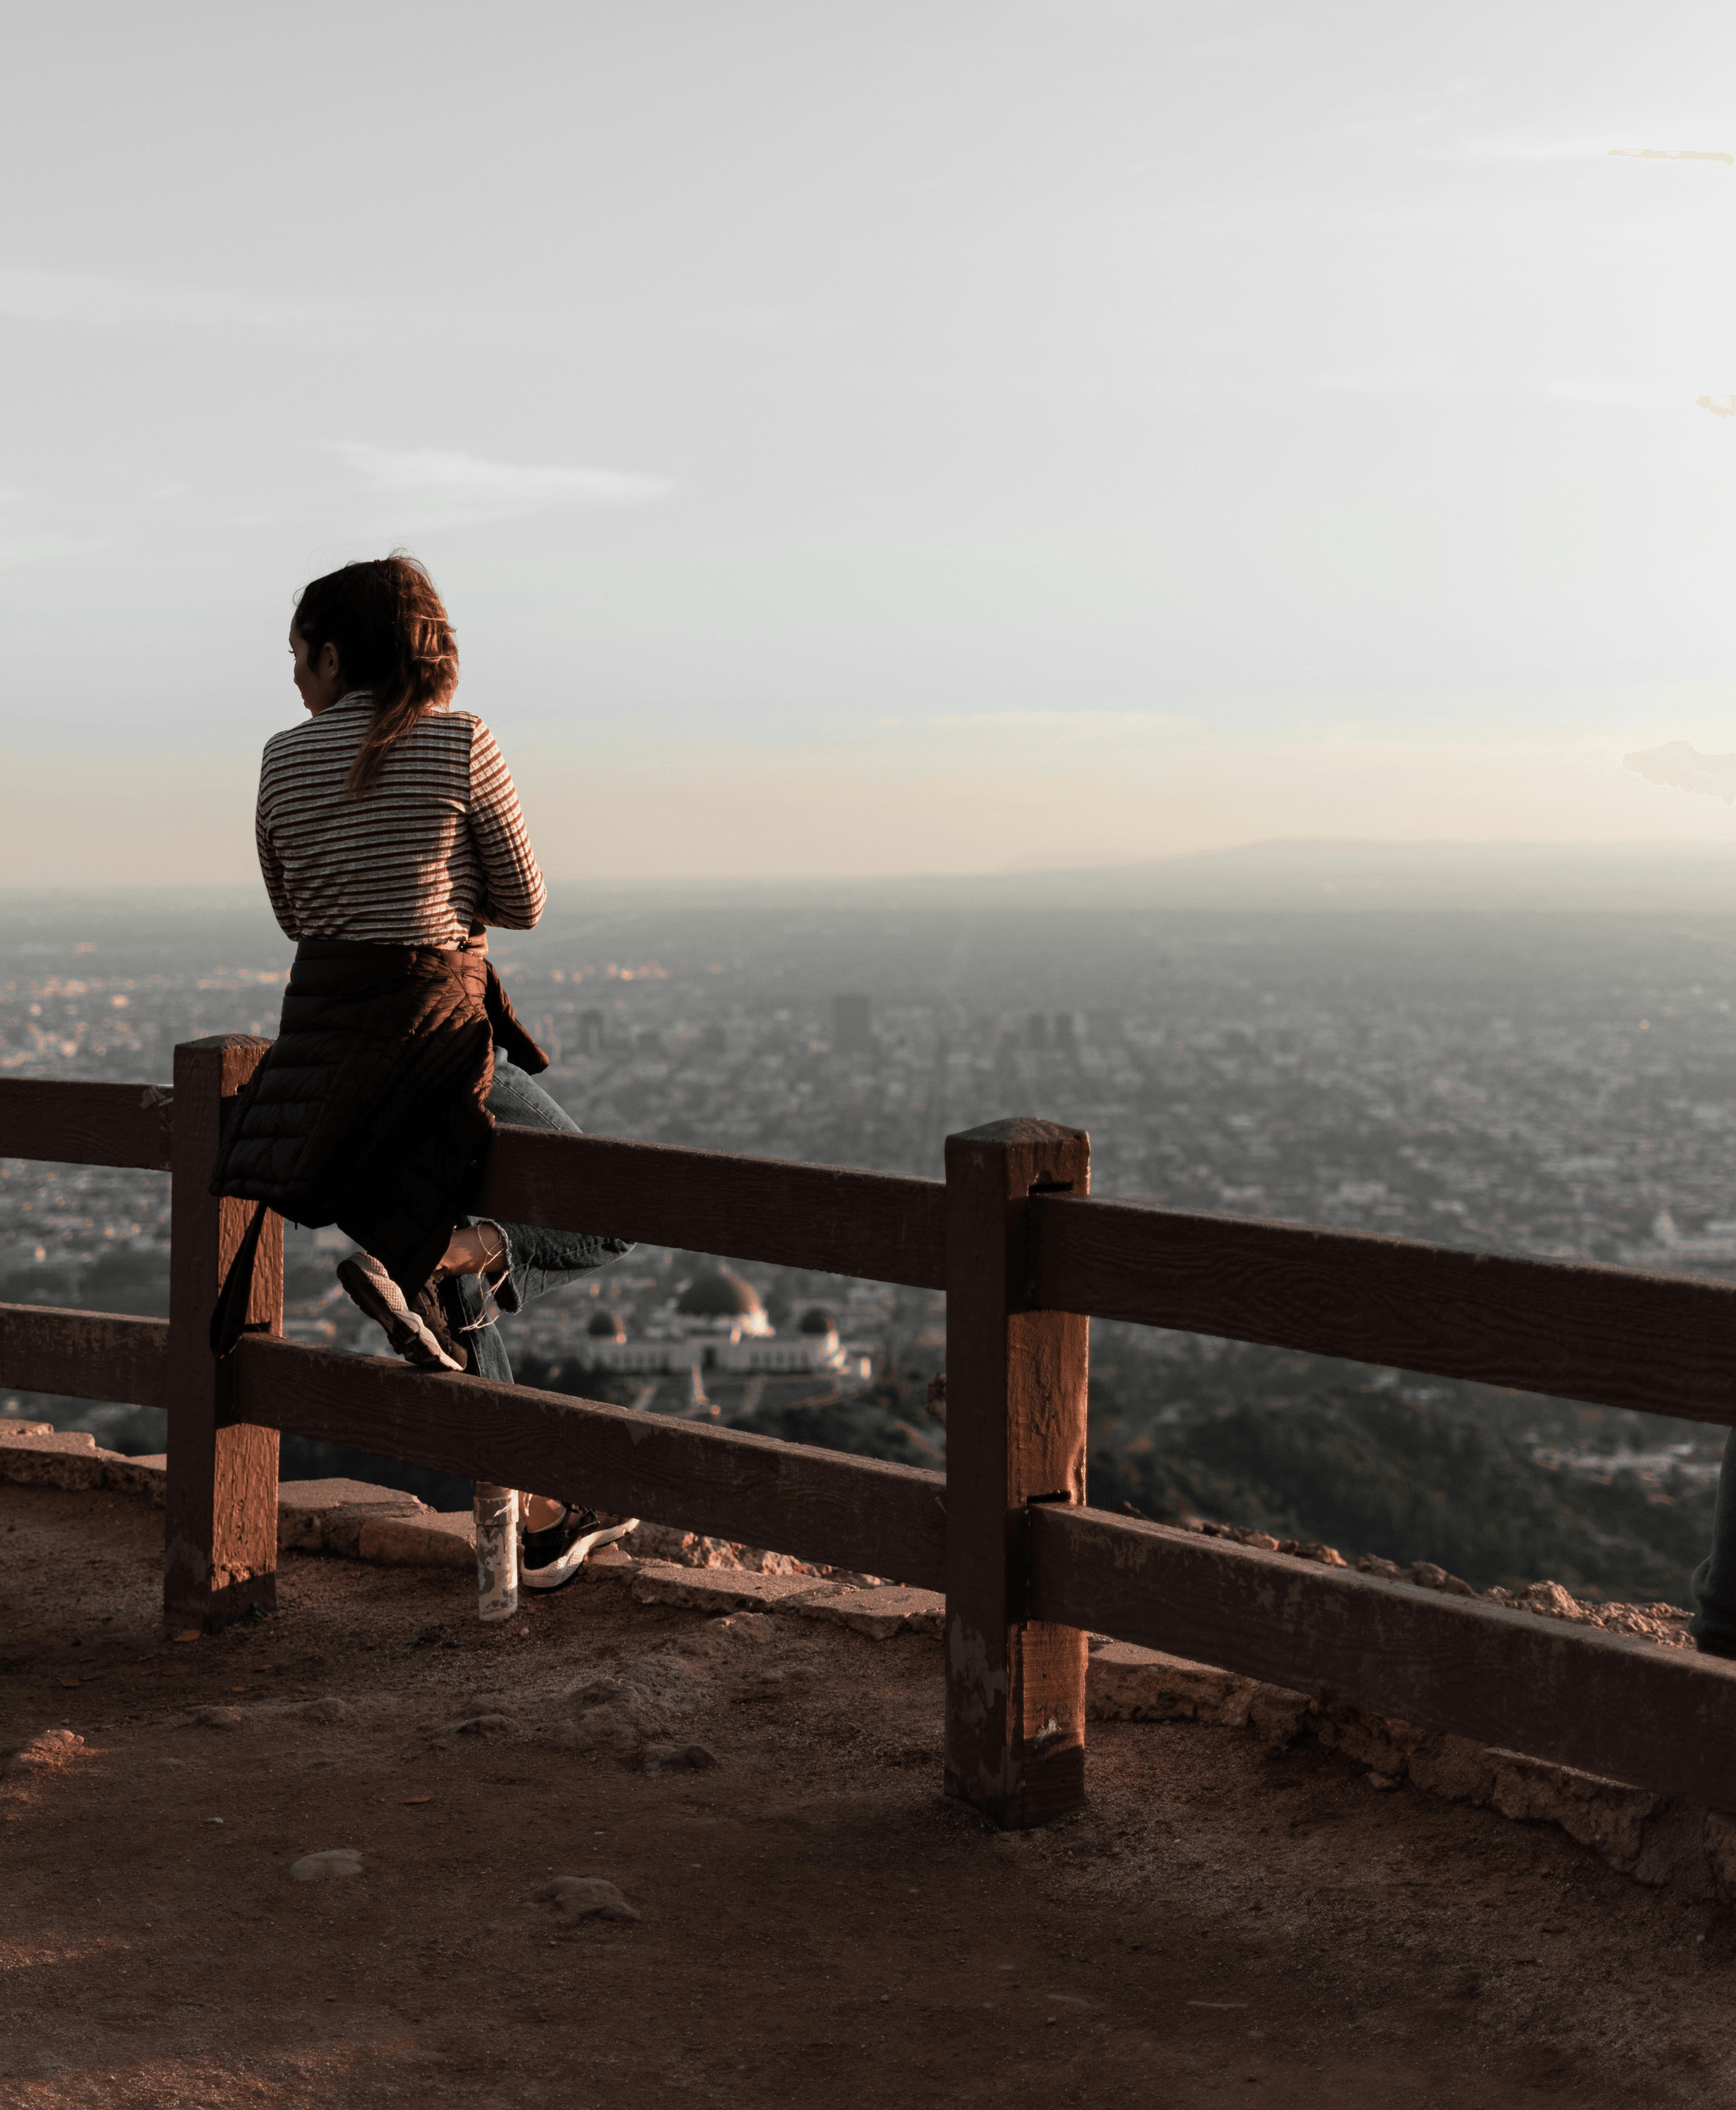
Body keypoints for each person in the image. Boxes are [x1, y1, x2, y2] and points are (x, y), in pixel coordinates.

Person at [210, 552, 635, 1590]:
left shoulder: (280, 757)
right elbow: (525, 901)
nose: (293, 679)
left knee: (465, 1291)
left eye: (299, 655)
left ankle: (526, 1522)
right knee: (611, 1202)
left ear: (335, 651)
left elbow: (294, 912)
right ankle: (450, 1252)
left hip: (321, 1050)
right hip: (434, 1037)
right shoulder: (460, 742)